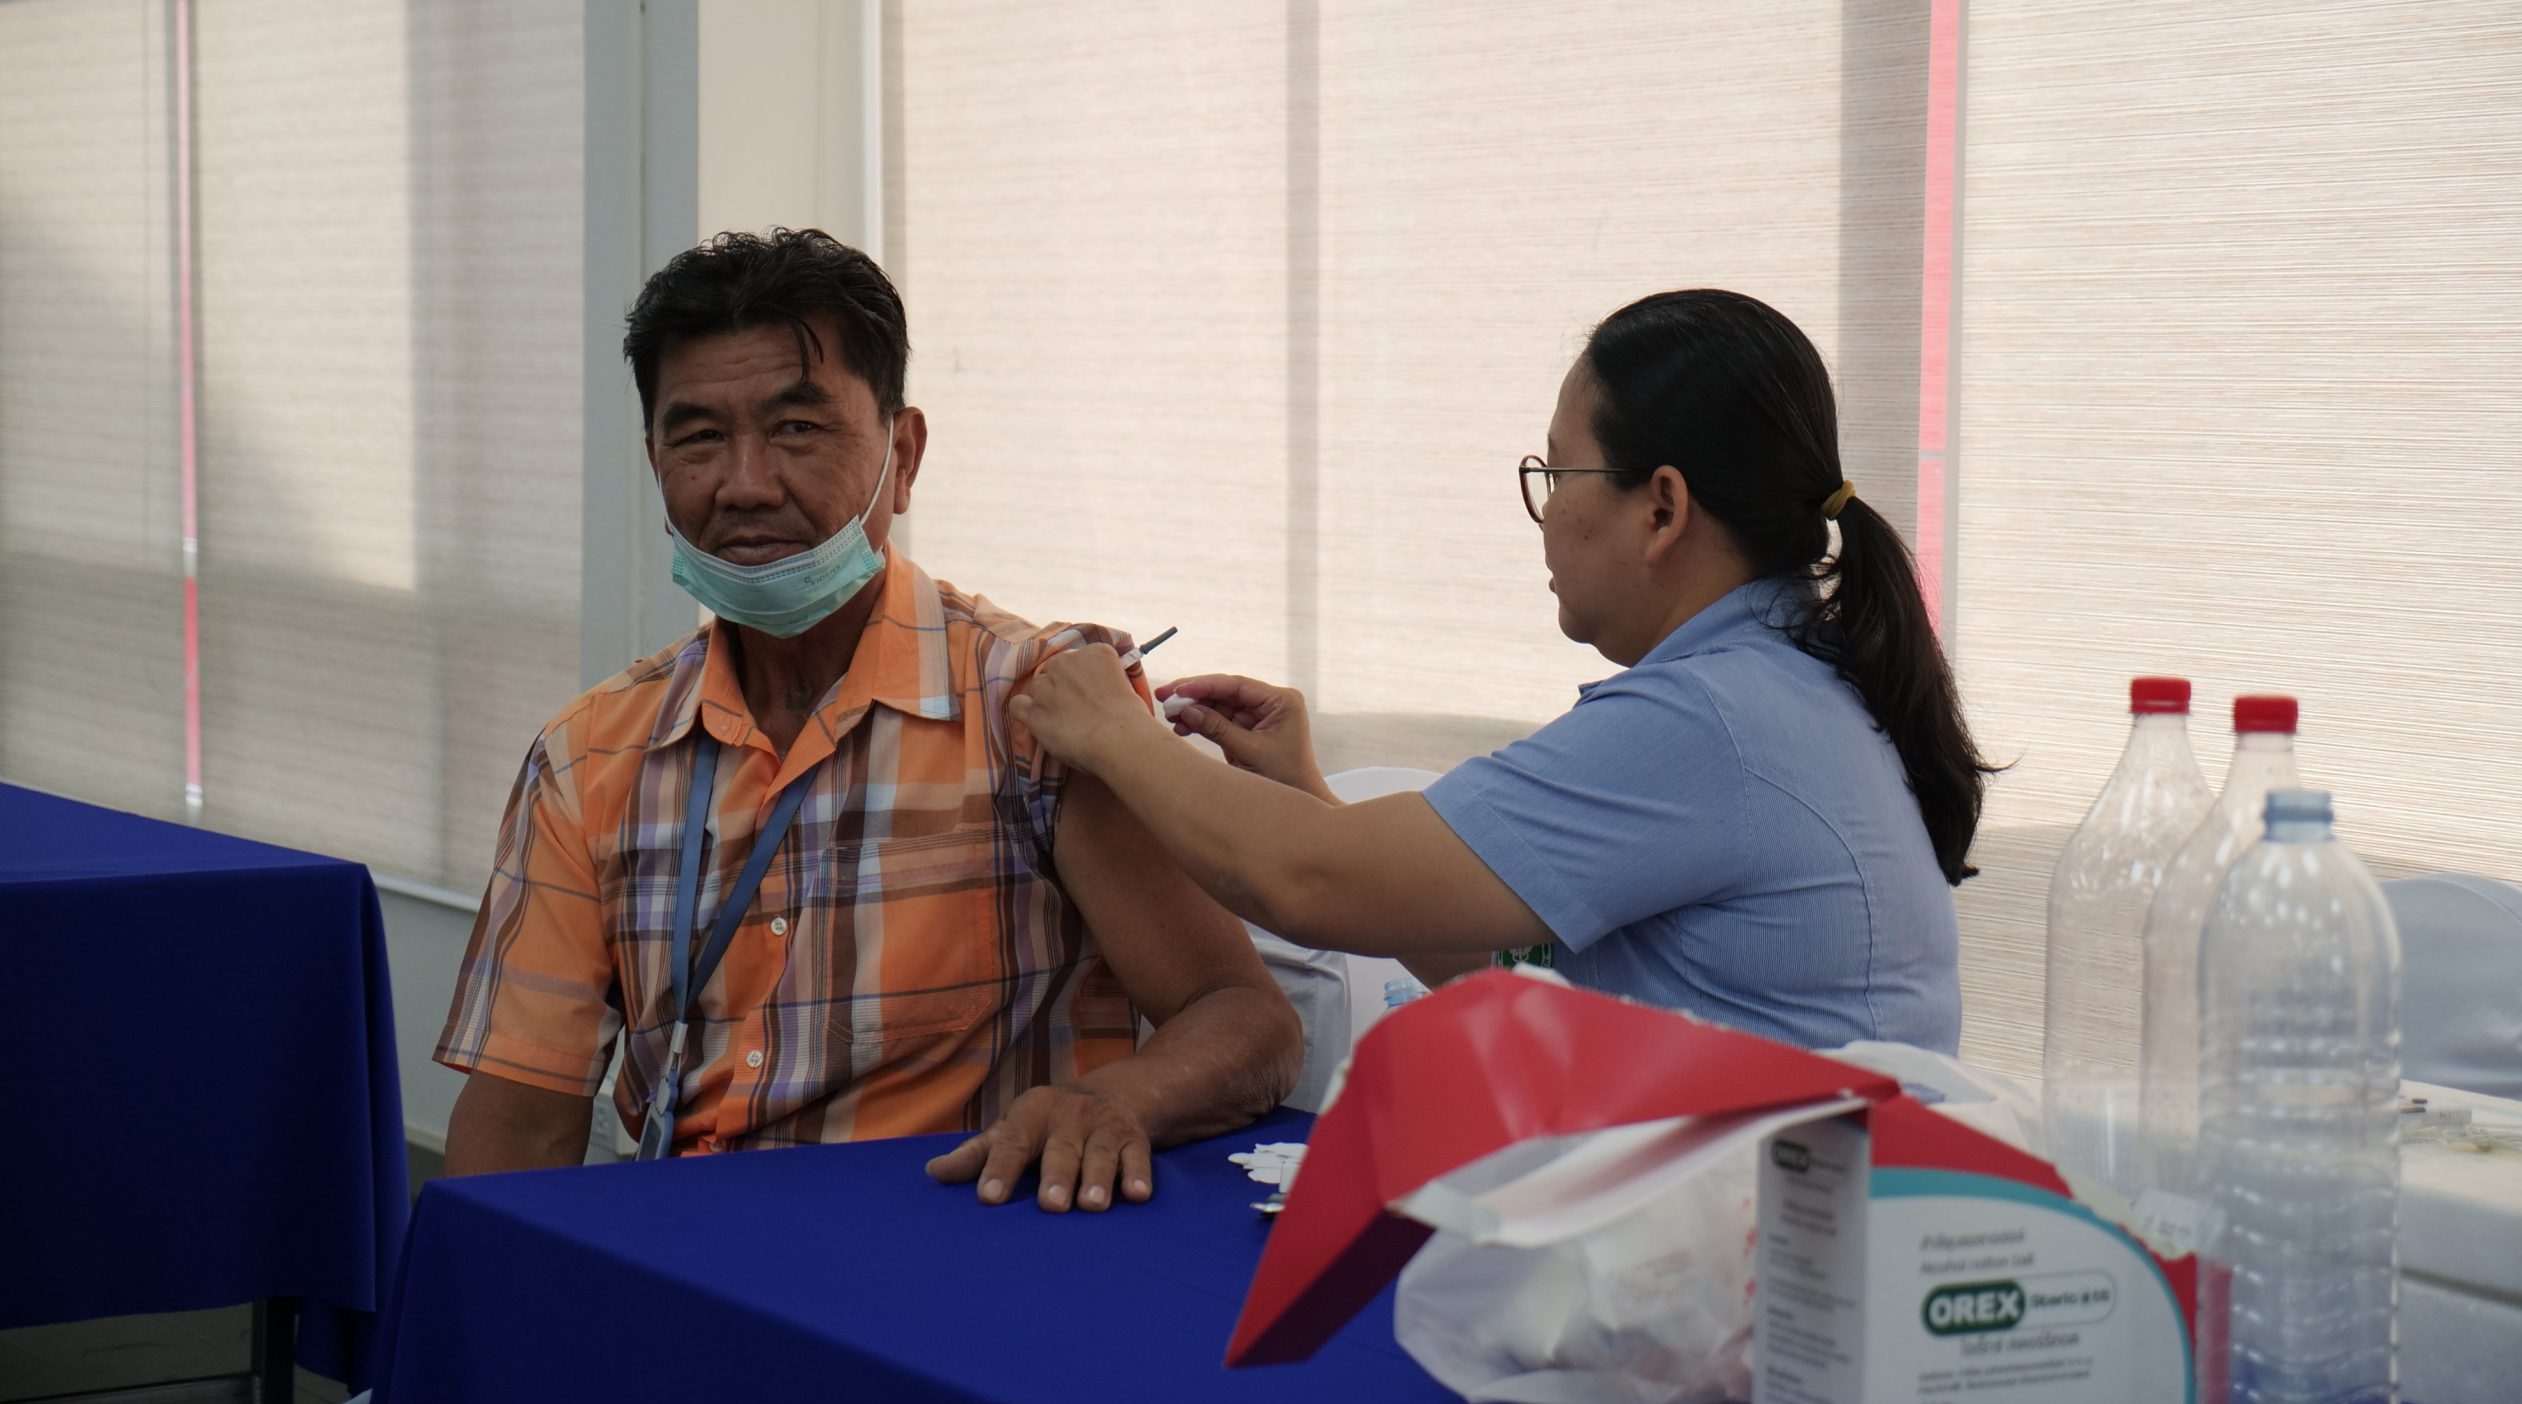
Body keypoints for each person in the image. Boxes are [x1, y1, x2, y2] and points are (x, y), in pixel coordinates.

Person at [434, 228, 1301, 1208]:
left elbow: (1243, 1018)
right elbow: (521, 1116)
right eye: (699, 437)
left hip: (956, 1249)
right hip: (689, 1253)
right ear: (654, 461)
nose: (745, 483)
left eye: (798, 428)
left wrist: (1111, 1103)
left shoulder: (1040, 709)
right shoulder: (591, 753)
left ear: (904, 454)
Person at [1011, 289, 1994, 1053]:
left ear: (1661, 508)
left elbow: (1305, 880)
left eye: (1557, 474)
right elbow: (1527, 981)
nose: (1546, 513)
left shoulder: (1710, 722)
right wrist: (1305, 793)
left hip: (1767, 1233)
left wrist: (1115, 733)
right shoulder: (1790, 681)